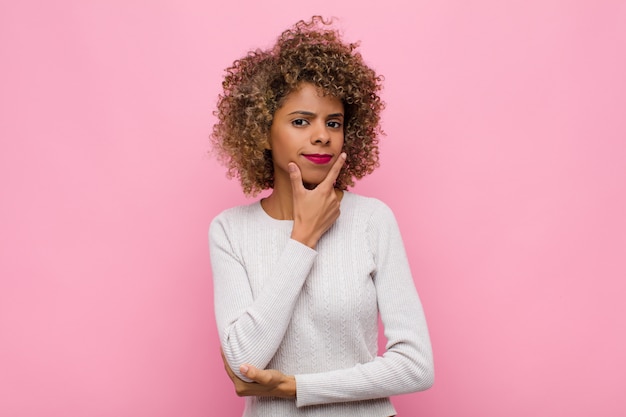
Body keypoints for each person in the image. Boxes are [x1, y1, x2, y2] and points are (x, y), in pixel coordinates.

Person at [209, 16, 434, 417]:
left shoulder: (372, 220)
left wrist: (298, 387)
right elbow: (245, 363)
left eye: (334, 123)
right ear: (262, 131)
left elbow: (416, 366)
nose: (322, 136)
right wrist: (303, 237)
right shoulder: (230, 230)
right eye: (301, 121)